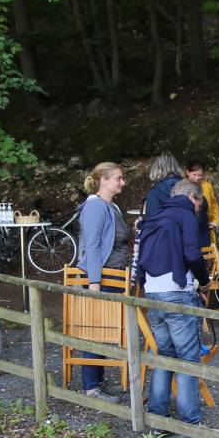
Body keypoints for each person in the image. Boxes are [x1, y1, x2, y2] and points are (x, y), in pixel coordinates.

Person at [134, 179, 210, 430]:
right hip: (177, 292)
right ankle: (189, 423)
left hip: (153, 292)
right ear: (192, 197)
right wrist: (205, 280)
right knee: (187, 359)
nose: (198, 211)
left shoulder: (155, 216)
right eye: (200, 205)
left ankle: (158, 421)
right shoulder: (185, 215)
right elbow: (192, 254)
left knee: (164, 356)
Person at [76, 162, 131, 399]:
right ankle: (91, 387)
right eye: (118, 178)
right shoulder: (96, 207)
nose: (122, 182)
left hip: (113, 273)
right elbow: (93, 245)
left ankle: (98, 380)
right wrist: (94, 281)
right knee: (95, 329)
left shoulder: (112, 207)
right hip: (101, 275)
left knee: (106, 329)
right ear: (104, 180)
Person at [184, 159, 219, 236]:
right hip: (188, 230)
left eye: (200, 175)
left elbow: (214, 204)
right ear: (187, 172)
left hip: (207, 229)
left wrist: (215, 221)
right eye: (194, 175)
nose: (197, 178)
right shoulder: (181, 187)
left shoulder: (207, 186)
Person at [143, 152, 183, 220]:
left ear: (157, 167)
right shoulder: (188, 186)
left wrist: (140, 224)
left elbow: (152, 221)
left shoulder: (155, 192)